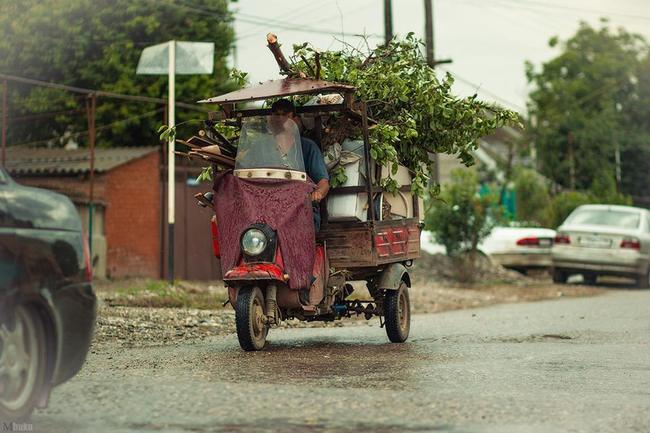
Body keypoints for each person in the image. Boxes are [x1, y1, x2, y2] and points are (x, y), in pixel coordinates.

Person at [270, 99, 330, 230]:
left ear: (295, 120)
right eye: (276, 115)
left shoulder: (307, 147)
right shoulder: (262, 147)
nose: (280, 119)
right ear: (270, 119)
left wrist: (318, 193)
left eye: (285, 115)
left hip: (300, 209)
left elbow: (323, 183)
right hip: (270, 209)